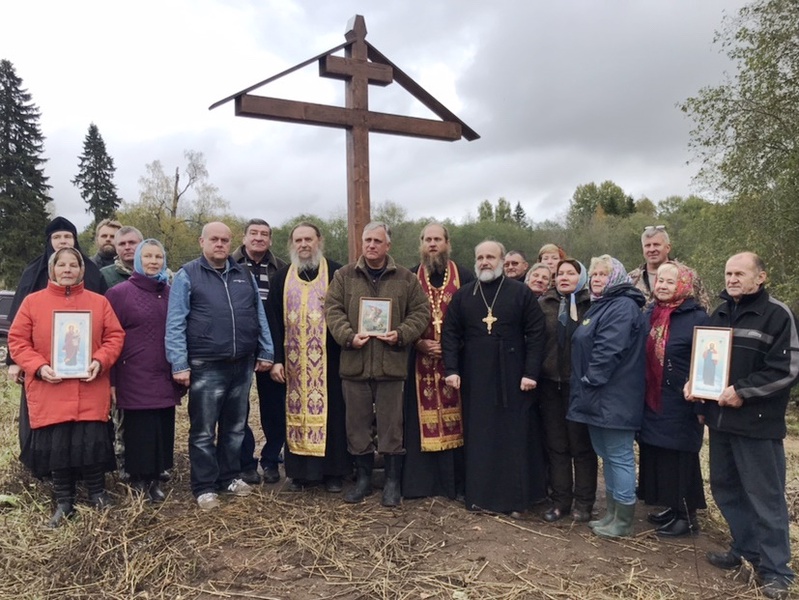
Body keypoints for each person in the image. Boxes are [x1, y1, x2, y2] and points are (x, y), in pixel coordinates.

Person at [685, 252, 799, 600]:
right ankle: (746, 549)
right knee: (725, 488)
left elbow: (788, 370)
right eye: (728, 273)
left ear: (760, 277)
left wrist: (744, 392)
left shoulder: (777, 315)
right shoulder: (718, 313)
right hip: (720, 422)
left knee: (765, 499)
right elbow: (708, 363)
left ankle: (777, 570)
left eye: (739, 273)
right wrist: (696, 390)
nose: (732, 279)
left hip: (757, 424)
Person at [8, 248, 124, 527]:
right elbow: (18, 341)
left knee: (91, 440)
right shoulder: (33, 302)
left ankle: (98, 494)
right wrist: (37, 366)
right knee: (58, 445)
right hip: (51, 386)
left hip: (89, 384)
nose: (68, 269)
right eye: (62, 265)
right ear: (53, 269)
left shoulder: (99, 302)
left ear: (82, 270)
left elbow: (115, 336)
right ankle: (64, 501)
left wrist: (100, 360)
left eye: (74, 265)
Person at [165, 221, 275, 510]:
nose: (220, 244)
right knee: (203, 430)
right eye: (214, 239)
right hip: (205, 364)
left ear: (231, 243)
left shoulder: (242, 274)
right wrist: (179, 363)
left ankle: (229, 476)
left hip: (242, 364)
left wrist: (266, 350)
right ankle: (203, 486)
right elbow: (175, 322)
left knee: (235, 427)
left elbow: (258, 314)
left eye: (225, 240)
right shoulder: (188, 275)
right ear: (202, 241)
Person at [325, 222, 429, 507]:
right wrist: (348, 336)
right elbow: (332, 310)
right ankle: (362, 479)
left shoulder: (406, 278)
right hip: (355, 364)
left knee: (391, 426)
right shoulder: (344, 276)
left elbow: (422, 311)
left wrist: (403, 334)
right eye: (367, 240)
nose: (371, 245)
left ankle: (392, 482)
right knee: (356, 425)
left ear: (388, 246)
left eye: (377, 241)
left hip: (391, 365)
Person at [442, 240, 547, 515]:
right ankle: (480, 496)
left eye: (490, 257)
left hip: (513, 374)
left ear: (501, 260)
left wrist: (530, 372)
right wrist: (451, 369)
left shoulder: (520, 292)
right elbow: (450, 334)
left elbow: (536, 333)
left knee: (513, 436)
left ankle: (515, 500)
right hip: (475, 377)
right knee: (480, 435)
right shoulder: (465, 295)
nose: (484, 262)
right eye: (480, 257)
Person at [6, 216, 107, 474]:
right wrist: (16, 362)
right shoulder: (33, 272)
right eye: (57, 237)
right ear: (49, 242)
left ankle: (85, 472)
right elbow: (18, 327)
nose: (63, 241)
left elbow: (106, 323)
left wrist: (100, 358)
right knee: (43, 417)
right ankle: (44, 467)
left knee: (87, 421)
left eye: (68, 237)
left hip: (85, 369)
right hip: (44, 369)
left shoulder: (92, 273)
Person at [268, 222, 350, 493]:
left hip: (330, 360)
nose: (304, 245)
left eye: (308, 239)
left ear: (319, 241)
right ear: (292, 244)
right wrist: (277, 359)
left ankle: (334, 473)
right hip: (293, 364)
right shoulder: (281, 277)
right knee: (294, 415)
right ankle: (299, 474)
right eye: (298, 240)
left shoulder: (337, 272)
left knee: (334, 415)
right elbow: (273, 322)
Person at [568, 255, 646, 538]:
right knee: (607, 455)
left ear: (616, 277)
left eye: (604, 274)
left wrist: (590, 381)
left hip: (613, 395)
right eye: (595, 274)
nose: (598, 279)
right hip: (596, 396)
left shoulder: (622, 307)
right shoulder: (603, 306)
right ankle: (613, 513)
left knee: (619, 455)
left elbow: (608, 349)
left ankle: (624, 519)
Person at [106, 240, 184, 504]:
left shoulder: (172, 292)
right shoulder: (119, 293)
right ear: (138, 260)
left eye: (158, 256)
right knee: (140, 428)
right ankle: (138, 479)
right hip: (133, 372)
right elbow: (109, 337)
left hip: (164, 370)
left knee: (162, 425)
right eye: (148, 256)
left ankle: (155, 479)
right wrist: (112, 379)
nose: (153, 261)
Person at [402, 223, 474, 500]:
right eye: (427, 240)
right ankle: (422, 484)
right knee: (418, 422)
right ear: (421, 244)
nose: (432, 244)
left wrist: (452, 346)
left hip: (455, 363)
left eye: (437, 239)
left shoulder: (464, 276)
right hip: (418, 360)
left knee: (460, 420)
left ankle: (455, 485)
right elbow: (399, 318)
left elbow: (475, 317)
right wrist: (419, 343)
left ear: (447, 243)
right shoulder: (409, 276)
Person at [638, 262, 709, 537]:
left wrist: (701, 401)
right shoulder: (651, 314)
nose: (663, 285)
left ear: (684, 285)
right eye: (660, 280)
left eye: (670, 281)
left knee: (680, 458)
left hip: (681, 402)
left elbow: (706, 364)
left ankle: (687, 516)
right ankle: (672, 505)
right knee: (660, 454)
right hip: (653, 398)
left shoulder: (697, 318)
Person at [538, 258, 596, 523]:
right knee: (557, 445)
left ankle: (584, 503)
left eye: (570, 273)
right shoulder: (544, 305)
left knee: (581, 446)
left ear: (581, 277)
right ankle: (561, 500)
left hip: (579, 385)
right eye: (560, 273)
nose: (564, 278)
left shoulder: (592, 305)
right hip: (550, 384)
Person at [232, 218, 287, 485]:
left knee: (274, 407)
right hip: (238, 347)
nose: (258, 238)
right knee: (238, 408)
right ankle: (245, 462)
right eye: (253, 233)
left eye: (264, 234)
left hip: (272, 347)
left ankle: (271, 458)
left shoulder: (283, 270)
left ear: (270, 240)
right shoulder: (229, 266)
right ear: (244, 238)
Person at [628, 225, 709, 309]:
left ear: (668, 248)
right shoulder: (631, 279)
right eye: (647, 245)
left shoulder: (688, 276)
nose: (652, 250)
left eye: (656, 245)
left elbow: (703, 307)